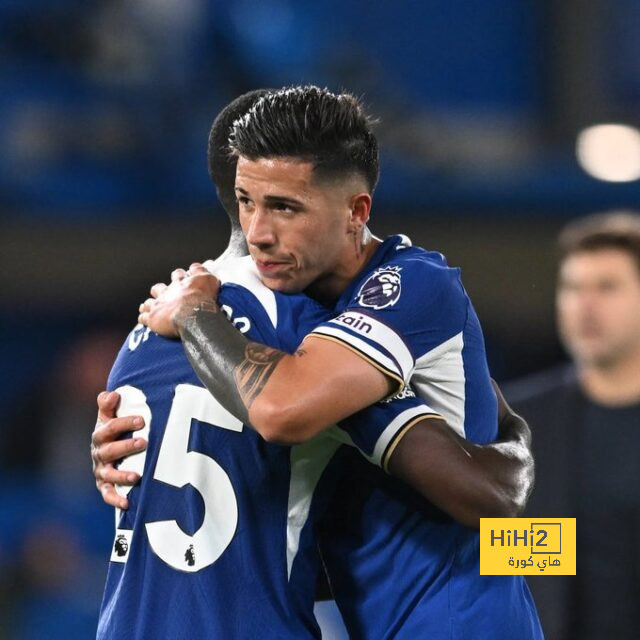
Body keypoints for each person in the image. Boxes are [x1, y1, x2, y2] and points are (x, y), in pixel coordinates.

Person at [93, 89, 535, 639]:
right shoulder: (307, 337)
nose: (260, 232)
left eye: (283, 206)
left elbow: (492, 505)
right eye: (248, 202)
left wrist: (195, 314)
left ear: (357, 210)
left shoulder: (408, 287)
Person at [507, 211, 640, 640]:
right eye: (572, 288)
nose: (585, 305)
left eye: (606, 287)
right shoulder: (521, 423)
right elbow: (516, 574)